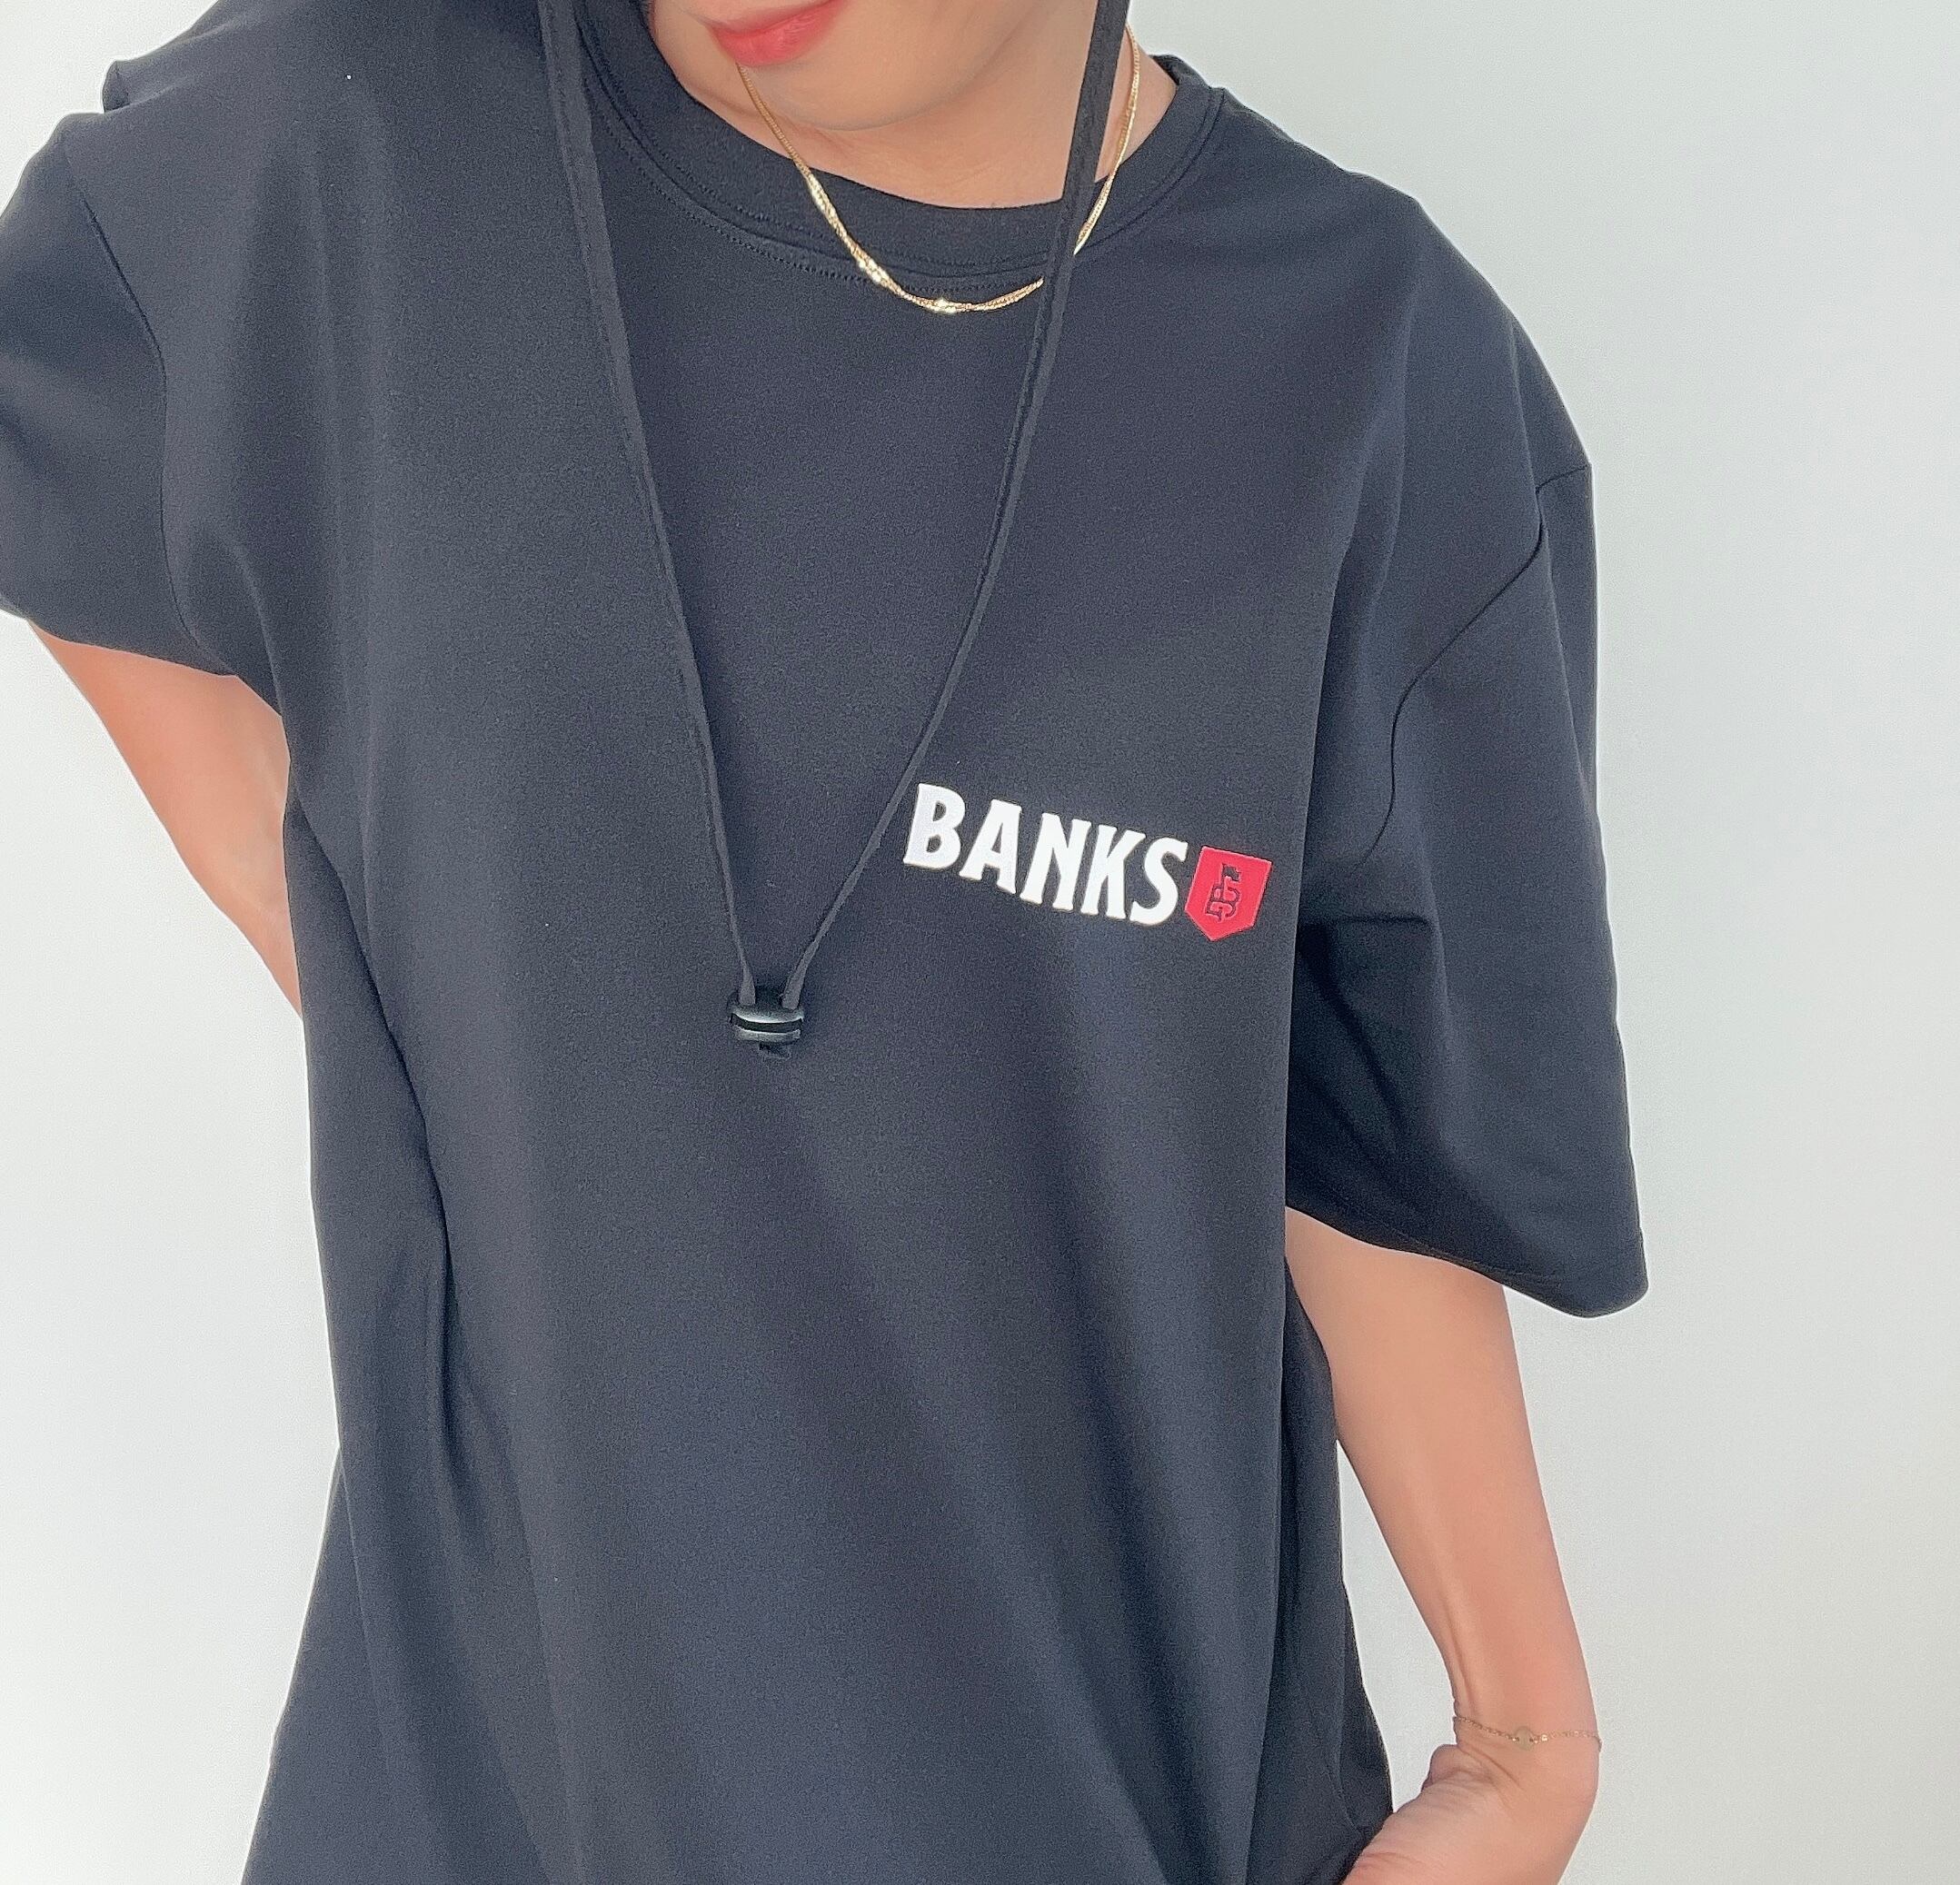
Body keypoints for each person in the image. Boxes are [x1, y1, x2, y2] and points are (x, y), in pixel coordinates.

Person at [0, 0, 1647, 1880]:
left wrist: (1523, 1735)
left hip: (1118, 1794)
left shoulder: (1363, 361)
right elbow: (66, 383)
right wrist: (432, 972)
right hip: (499, 1794)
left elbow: (1341, 1131)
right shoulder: (366, 133)